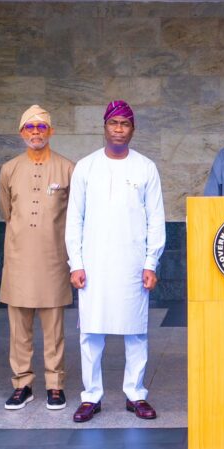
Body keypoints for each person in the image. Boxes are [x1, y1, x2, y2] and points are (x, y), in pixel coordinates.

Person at [65, 100, 165, 423]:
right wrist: (76, 263)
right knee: (91, 332)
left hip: (132, 263)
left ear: (133, 129)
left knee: (135, 330)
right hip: (94, 263)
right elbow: (74, 219)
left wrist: (151, 262)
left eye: (125, 124)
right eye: (113, 123)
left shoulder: (145, 167)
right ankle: (91, 396)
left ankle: (135, 394)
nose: (119, 129)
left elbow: (156, 219)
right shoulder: (86, 167)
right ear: (104, 127)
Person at [0, 105, 75, 411]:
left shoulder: (68, 168)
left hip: (53, 260)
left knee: (54, 329)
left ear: (51, 132)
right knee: (19, 329)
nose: (35, 132)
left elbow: (75, 216)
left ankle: (55, 386)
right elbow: (7, 211)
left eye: (41, 127)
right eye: (29, 127)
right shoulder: (10, 169)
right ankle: (22, 385)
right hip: (18, 260)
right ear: (21, 133)